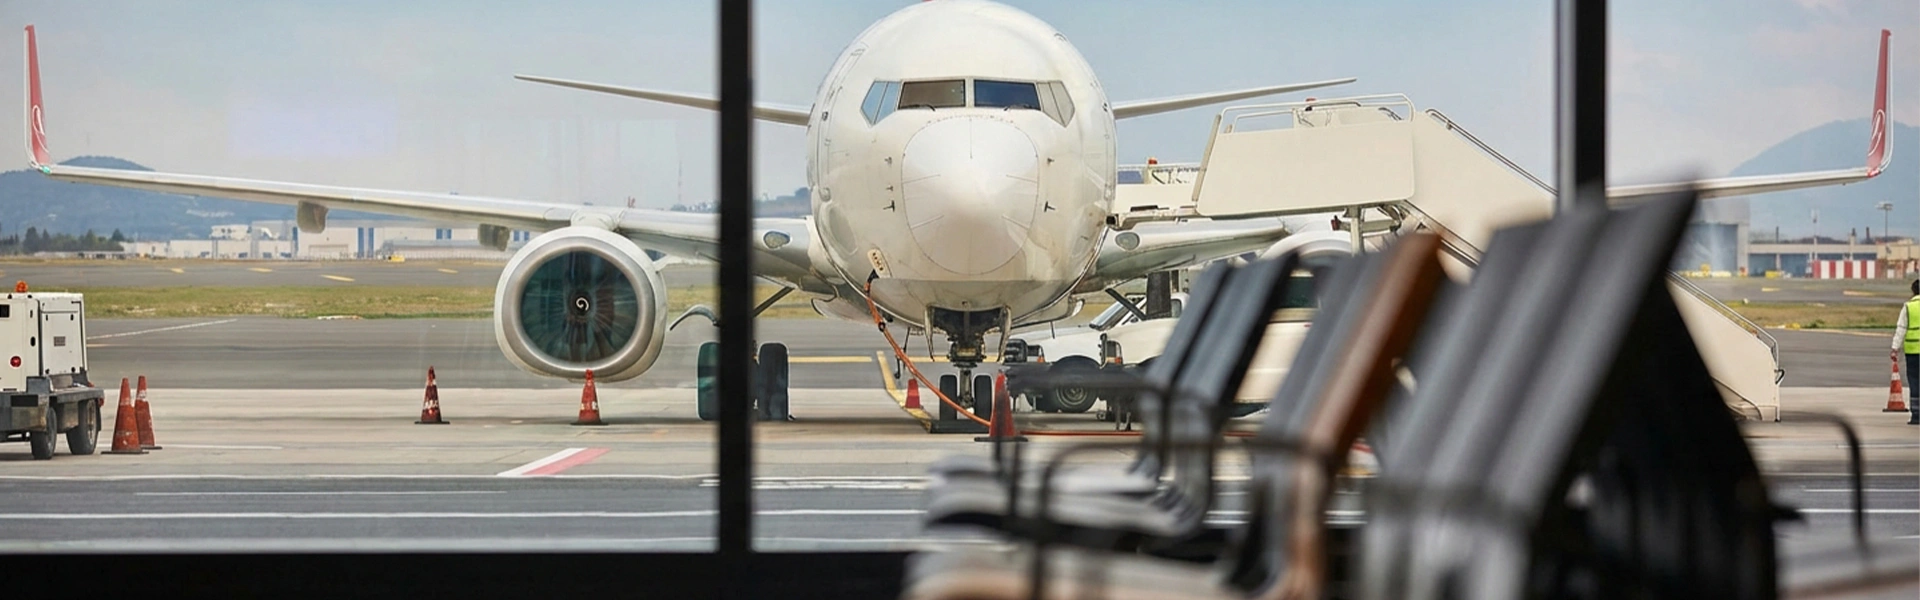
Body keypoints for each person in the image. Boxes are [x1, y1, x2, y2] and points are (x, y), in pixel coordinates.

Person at [1896, 279, 1920, 425]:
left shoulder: (1909, 306)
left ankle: (1916, 414)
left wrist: (1894, 348)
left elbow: (1901, 328)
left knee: (1914, 382)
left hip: (1912, 352)